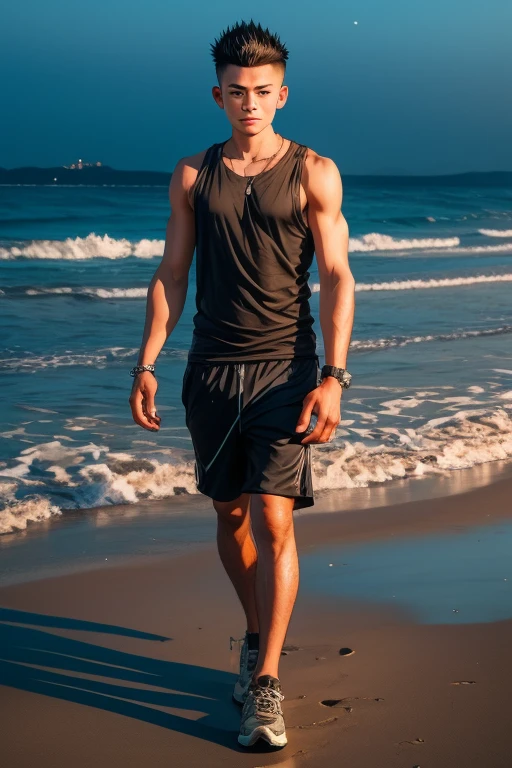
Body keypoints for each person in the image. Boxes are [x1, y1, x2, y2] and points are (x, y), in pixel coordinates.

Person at [129, 19, 355, 750]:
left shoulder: (316, 171)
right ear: (218, 96)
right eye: (236, 92)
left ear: (281, 95)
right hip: (209, 374)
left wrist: (334, 376)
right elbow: (171, 273)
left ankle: (265, 686)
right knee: (229, 517)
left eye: (262, 91)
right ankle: (256, 634)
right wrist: (147, 360)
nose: (249, 102)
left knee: (275, 518)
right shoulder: (194, 175)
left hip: (288, 371)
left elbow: (337, 276)